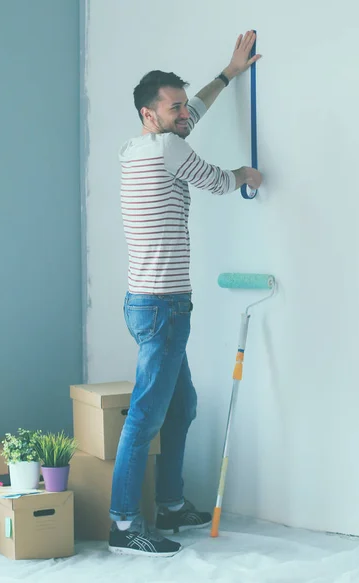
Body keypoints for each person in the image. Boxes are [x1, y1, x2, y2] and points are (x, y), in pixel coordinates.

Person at [108, 31, 263, 556]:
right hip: (163, 306)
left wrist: (229, 72)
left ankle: (170, 506)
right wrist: (246, 174)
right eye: (173, 108)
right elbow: (217, 181)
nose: (183, 113)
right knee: (149, 416)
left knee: (181, 406)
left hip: (149, 304)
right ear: (151, 114)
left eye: (181, 106)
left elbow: (193, 109)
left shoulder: (137, 146)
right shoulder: (170, 147)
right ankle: (125, 523)